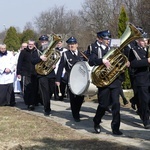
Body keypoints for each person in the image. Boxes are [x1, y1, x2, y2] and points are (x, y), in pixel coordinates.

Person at [88, 30, 129, 135]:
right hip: (103, 81)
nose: (108, 41)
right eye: (106, 39)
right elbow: (91, 61)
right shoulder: (95, 49)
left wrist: (125, 63)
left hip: (115, 81)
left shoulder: (114, 48)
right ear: (100, 39)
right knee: (103, 104)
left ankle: (115, 128)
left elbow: (121, 59)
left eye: (109, 39)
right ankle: (96, 121)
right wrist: (102, 61)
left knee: (116, 104)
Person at [55, 37, 86, 122]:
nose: (71, 46)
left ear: (77, 45)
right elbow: (60, 67)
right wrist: (58, 79)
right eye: (69, 44)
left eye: (73, 44)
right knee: (72, 97)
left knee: (80, 97)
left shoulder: (81, 54)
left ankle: (77, 110)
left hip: (81, 78)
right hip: (71, 78)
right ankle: (75, 114)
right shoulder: (65, 54)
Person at [128, 31, 150, 129]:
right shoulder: (134, 51)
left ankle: (134, 100)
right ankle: (146, 120)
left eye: (145, 40)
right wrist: (147, 61)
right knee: (144, 101)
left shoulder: (148, 49)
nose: (144, 42)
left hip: (149, 78)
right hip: (141, 79)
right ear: (137, 41)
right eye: (142, 40)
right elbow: (133, 64)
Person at [31, 35, 56, 116]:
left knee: (51, 91)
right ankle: (47, 109)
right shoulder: (36, 52)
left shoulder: (52, 51)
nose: (43, 43)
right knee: (45, 92)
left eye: (45, 41)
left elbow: (55, 59)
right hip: (41, 74)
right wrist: (40, 58)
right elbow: (32, 61)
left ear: (48, 42)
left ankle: (45, 101)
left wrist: (53, 64)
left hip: (51, 73)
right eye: (42, 41)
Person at [17, 40, 39, 111]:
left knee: (34, 89)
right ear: (27, 44)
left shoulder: (36, 52)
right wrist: (18, 73)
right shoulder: (23, 52)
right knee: (27, 89)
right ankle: (29, 103)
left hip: (34, 73)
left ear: (34, 45)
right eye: (29, 44)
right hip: (25, 73)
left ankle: (32, 103)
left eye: (32, 44)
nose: (30, 45)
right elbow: (19, 62)